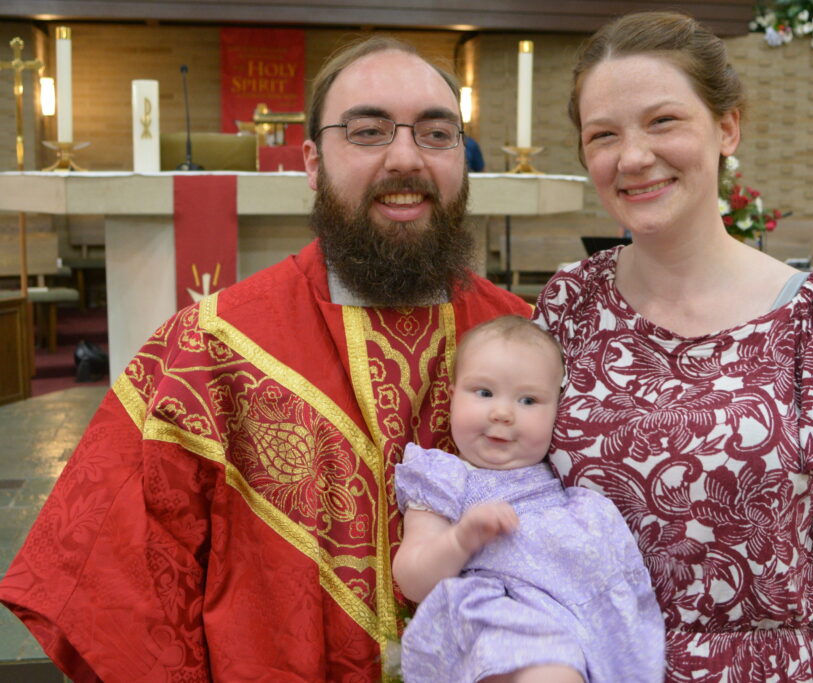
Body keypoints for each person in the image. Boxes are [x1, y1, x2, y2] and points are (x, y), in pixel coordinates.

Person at [0, 37, 531, 681]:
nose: (404, 157)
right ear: (312, 162)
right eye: (367, 132)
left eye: (436, 134)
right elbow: (121, 594)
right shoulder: (207, 350)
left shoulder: (528, 337)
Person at [533, 11, 813, 682]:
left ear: (727, 128)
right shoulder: (569, 303)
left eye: (663, 121)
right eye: (604, 135)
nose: (632, 157)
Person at [392, 315, 664, 683]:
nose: (502, 413)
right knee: (551, 673)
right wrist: (461, 539)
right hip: (498, 614)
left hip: (578, 615)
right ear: (451, 397)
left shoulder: (565, 474)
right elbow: (412, 579)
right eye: (483, 392)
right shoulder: (443, 476)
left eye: (528, 400)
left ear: (558, 411)